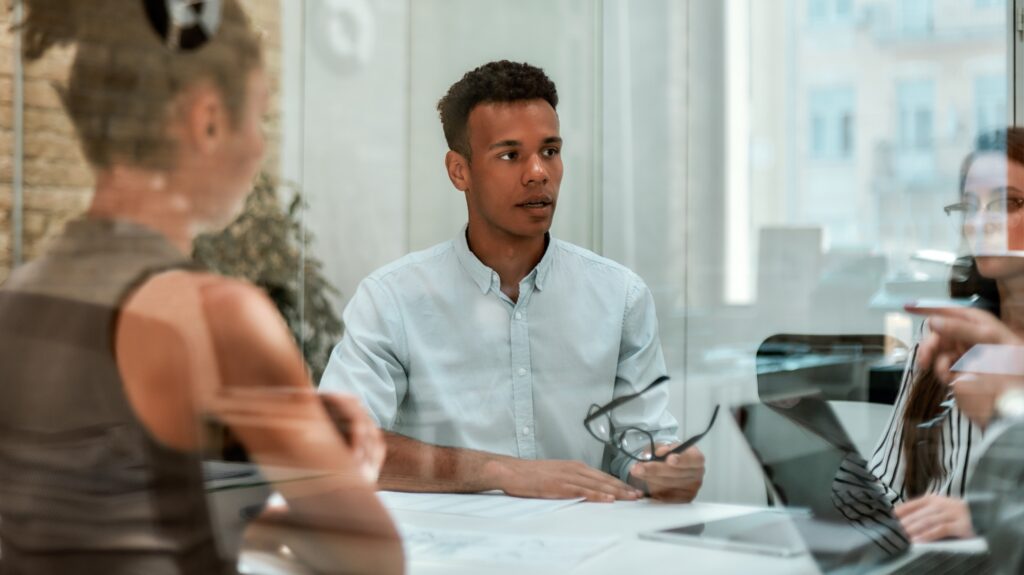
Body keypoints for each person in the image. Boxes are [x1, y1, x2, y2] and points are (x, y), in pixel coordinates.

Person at [0, 1, 401, 573]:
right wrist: (339, 470)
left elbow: (94, 505)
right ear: (208, 118)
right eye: (259, 117)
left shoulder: (17, 298)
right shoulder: (218, 316)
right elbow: (372, 557)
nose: (261, 148)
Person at [319, 60, 704, 503]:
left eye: (550, 151)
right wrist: (499, 471)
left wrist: (665, 469)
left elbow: (637, 450)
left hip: (581, 552)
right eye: (510, 155)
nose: (537, 172)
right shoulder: (393, 300)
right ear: (459, 170)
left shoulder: (621, 298)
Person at [869, 128, 1024, 543]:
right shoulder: (945, 332)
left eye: (1007, 202)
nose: (981, 221)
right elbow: (887, 482)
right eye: (970, 206)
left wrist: (988, 520)